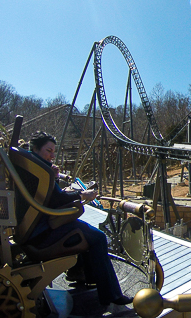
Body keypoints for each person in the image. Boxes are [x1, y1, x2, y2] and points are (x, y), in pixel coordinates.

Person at [26, 131, 133, 306]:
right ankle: (112, 295)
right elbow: (57, 198)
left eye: (54, 151)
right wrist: (83, 194)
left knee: (84, 229)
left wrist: (53, 177)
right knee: (98, 238)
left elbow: (48, 195)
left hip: (38, 226)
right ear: (36, 149)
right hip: (43, 232)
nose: (52, 155)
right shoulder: (40, 170)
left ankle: (83, 275)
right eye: (48, 151)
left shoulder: (34, 165)